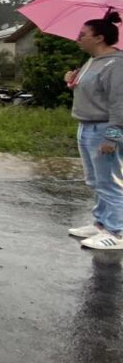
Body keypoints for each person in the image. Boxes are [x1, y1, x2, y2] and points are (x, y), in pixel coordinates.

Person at [67, 12, 123, 250]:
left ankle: (117, 232)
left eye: (83, 35)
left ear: (99, 38)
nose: (78, 38)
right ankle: (101, 223)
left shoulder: (116, 64)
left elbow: (120, 103)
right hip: (86, 126)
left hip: (104, 129)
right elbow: (92, 92)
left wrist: (113, 136)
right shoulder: (92, 61)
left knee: (110, 181)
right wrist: (71, 81)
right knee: (96, 180)